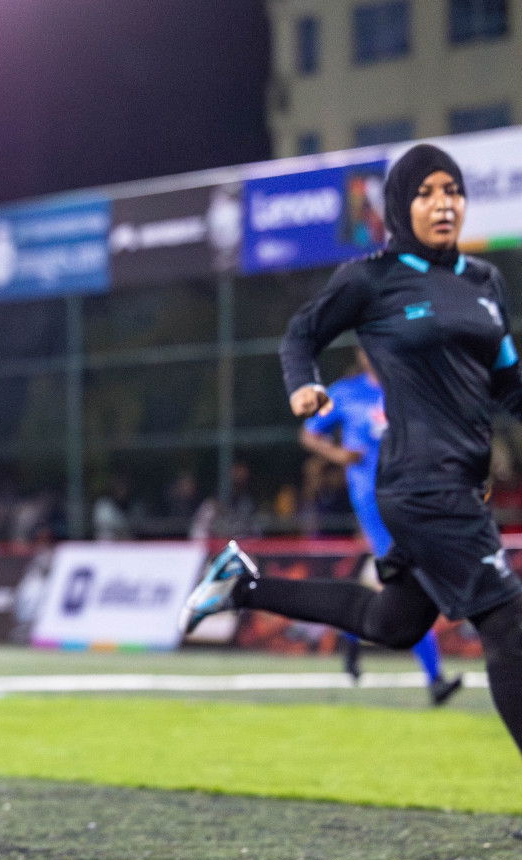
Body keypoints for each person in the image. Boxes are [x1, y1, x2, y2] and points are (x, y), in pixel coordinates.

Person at [181, 144, 522, 745]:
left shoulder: (485, 282)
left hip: (461, 485)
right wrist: (304, 386)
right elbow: (301, 335)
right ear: (399, 205)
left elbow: (508, 385)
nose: (444, 203)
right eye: (426, 192)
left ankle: (241, 585)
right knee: (507, 624)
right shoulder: (372, 279)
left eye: (453, 190)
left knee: (390, 622)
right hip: (421, 485)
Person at [299, 348, 461, 701]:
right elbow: (310, 433)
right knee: (411, 580)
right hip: (373, 501)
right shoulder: (345, 392)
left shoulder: (407, 388)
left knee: (391, 578)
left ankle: (353, 636)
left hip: (412, 496)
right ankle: (435, 679)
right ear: (363, 353)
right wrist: (339, 455)